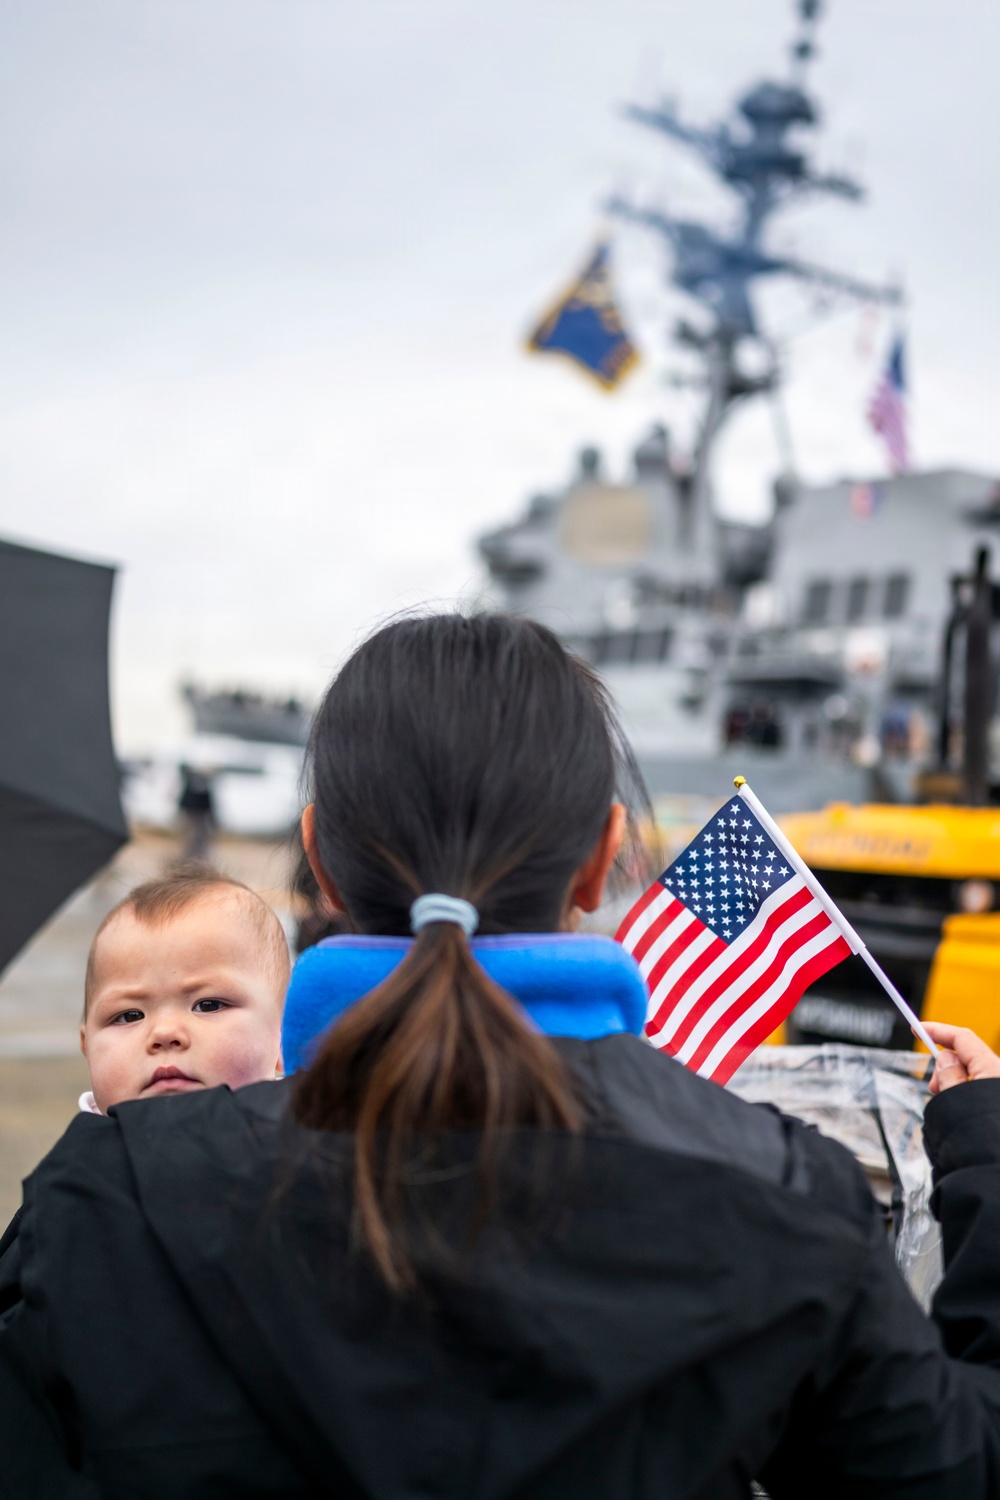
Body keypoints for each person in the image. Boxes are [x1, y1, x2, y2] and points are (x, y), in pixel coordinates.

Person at [1, 612, 1000, 1499]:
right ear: (603, 855)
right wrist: (986, 1164)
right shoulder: (785, 1192)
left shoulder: (102, 1199)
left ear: (321, 860)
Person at [78, 864, 289, 1113]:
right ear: (87, 1045)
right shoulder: (83, 1150)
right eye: (129, 1016)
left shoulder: (313, 1145)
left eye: (208, 1005)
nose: (164, 1033)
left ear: (285, 1034)